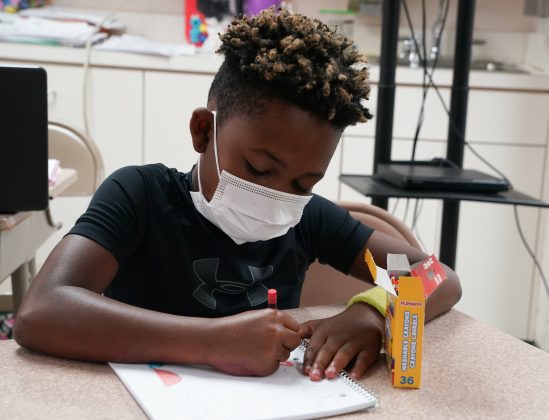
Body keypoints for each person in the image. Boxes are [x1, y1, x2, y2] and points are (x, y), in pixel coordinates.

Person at [14, 8, 461, 381]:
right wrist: (214, 342)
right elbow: (42, 312)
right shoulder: (140, 196)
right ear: (203, 131)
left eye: (304, 184)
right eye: (259, 169)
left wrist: (372, 311)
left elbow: (436, 277)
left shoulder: (310, 220)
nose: (277, 196)